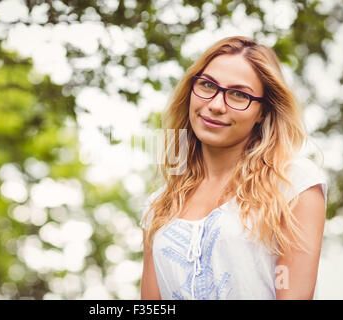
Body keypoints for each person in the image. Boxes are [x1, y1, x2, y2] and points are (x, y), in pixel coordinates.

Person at [139, 36, 328, 300]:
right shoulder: (159, 205)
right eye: (207, 85)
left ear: (263, 111)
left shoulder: (295, 184)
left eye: (239, 94)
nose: (216, 105)